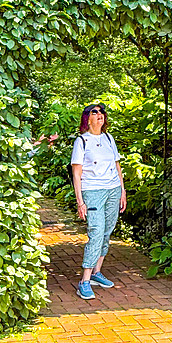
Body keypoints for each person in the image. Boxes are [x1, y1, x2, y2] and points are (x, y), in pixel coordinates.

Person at [69, 103, 127, 299]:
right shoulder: (82, 141)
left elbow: (117, 166)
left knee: (107, 231)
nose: (100, 115)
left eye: (102, 112)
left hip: (113, 190)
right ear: (87, 118)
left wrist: (122, 191)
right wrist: (80, 202)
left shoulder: (109, 138)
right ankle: (84, 281)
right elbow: (76, 174)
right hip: (92, 191)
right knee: (96, 232)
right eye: (95, 112)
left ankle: (96, 272)